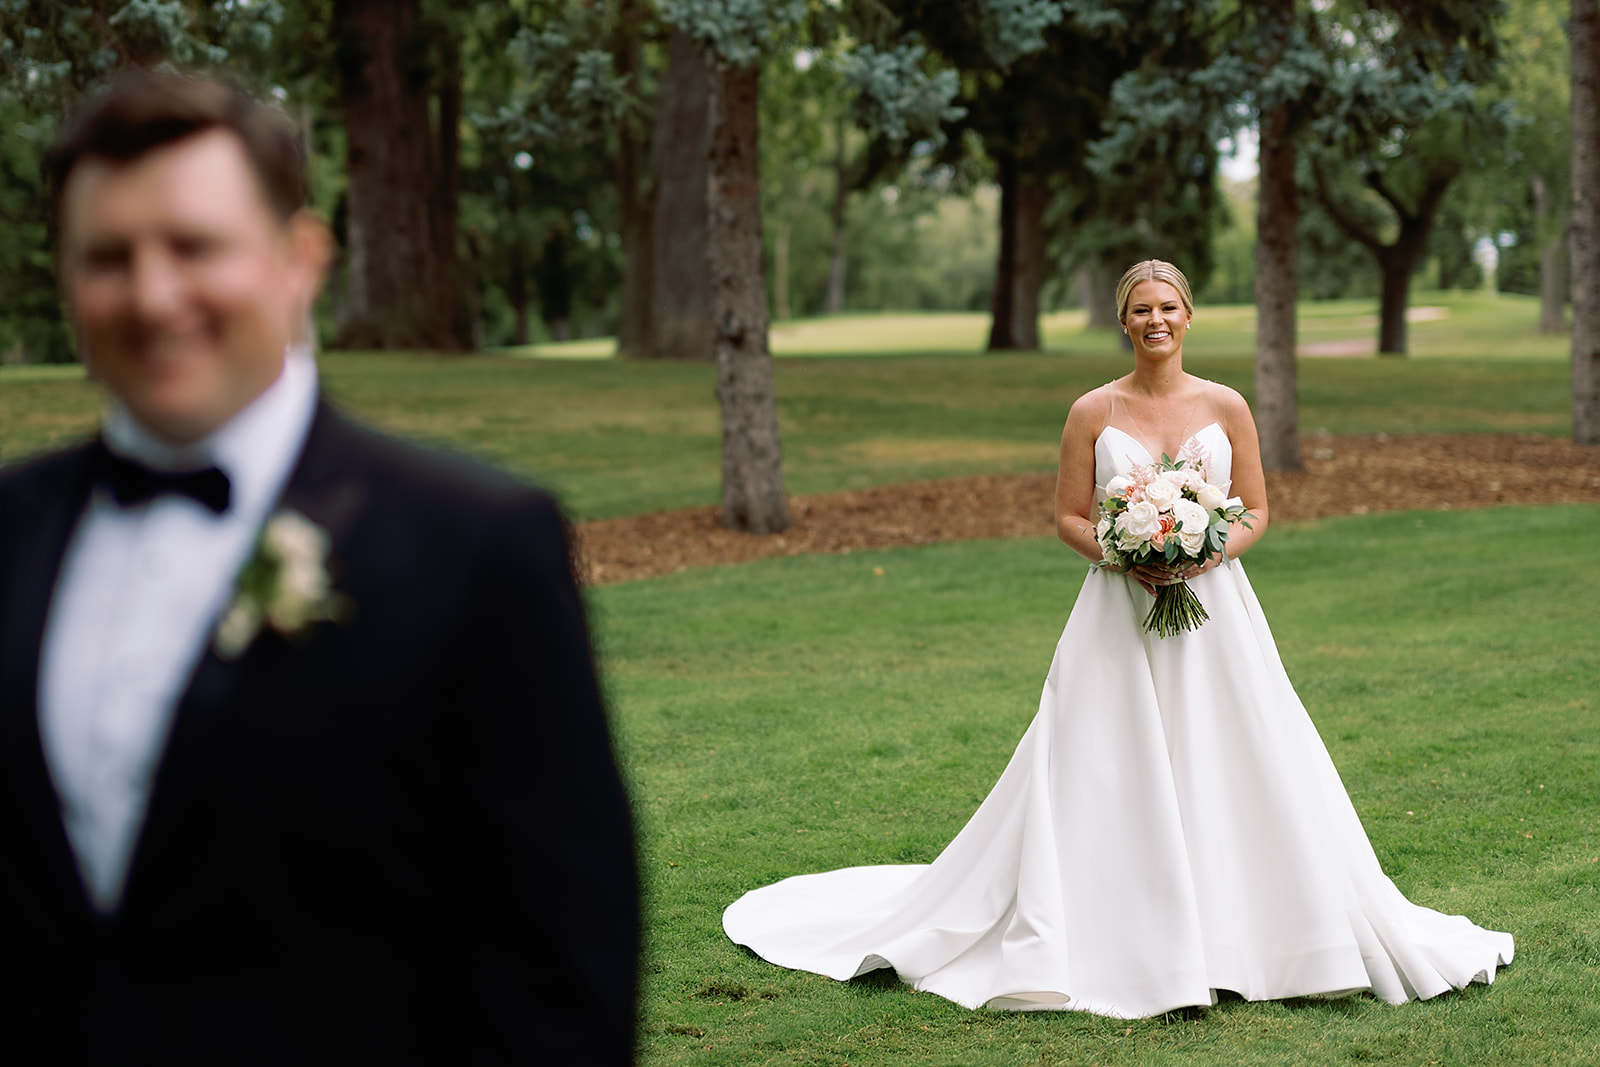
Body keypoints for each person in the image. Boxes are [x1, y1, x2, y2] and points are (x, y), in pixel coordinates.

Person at [0, 69, 638, 1063]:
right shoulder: (10, 530)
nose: (153, 293)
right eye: (108, 257)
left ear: (300, 259)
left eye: (193, 246)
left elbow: (563, 981)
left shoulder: (476, 546)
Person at [722, 260, 1513, 1018]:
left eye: (1168, 307)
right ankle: (1113, 923)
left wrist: (1201, 551)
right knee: (1100, 759)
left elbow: (1259, 511)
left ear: (1189, 315)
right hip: (1116, 608)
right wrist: (1122, 552)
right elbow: (1067, 515)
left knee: (1232, 752)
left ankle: (1250, 930)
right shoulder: (1091, 411)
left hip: (1215, 611)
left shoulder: (1228, 405)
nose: (1156, 320)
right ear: (1123, 321)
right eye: (1141, 309)